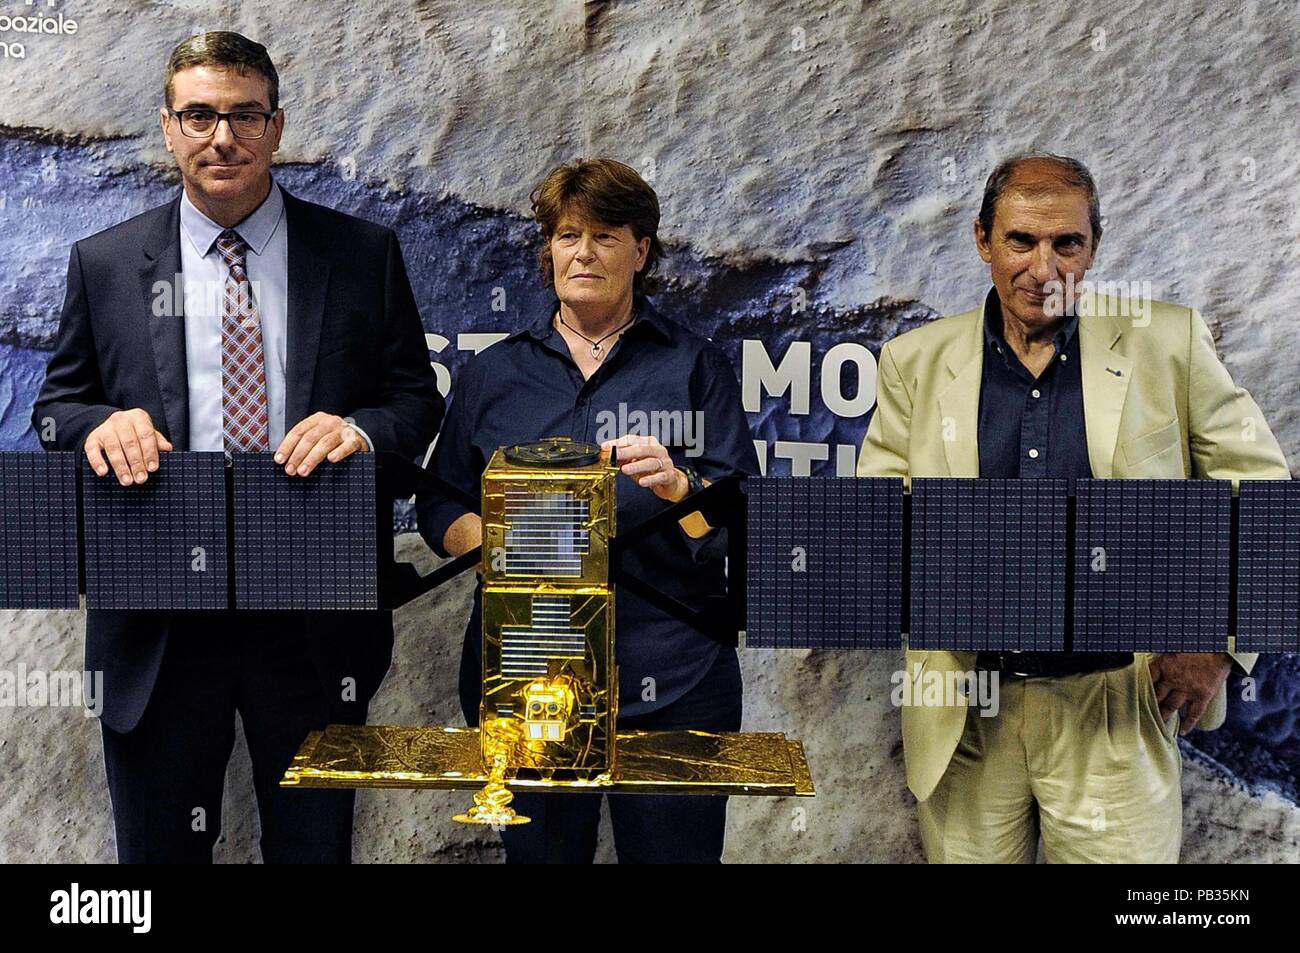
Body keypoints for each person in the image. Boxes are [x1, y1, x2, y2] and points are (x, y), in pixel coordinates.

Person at [32, 32, 443, 862]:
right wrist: (98, 424)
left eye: (244, 116)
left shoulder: (361, 255)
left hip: (312, 611)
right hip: (159, 617)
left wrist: (360, 431)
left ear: (276, 126)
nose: (222, 137)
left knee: (313, 850)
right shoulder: (105, 263)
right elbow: (55, 410)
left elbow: (416, 401)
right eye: (200, 115)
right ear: (168, 127)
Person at [858, 152, 1290, 863]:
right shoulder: (915, 361)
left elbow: (1264, 494)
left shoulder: (1169, 343)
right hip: (968, 709)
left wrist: (1218, 639)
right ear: (983, 240)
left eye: (1066, 242)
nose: (1043, 268)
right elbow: (877, 525)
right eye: (1021, 240)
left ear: (1094, 247)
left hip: (1116, 705)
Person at [417, 157, 758, 863]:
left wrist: (679, 488)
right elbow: (440, 498)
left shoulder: (695, 366)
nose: (584, 253)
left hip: (674, 674)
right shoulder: (493, 372)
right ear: (549, 250)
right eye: (568, 235)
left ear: (641, 251)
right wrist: (486, 541)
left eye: (605, 236)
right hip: (526, 676)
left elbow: (738, 524)